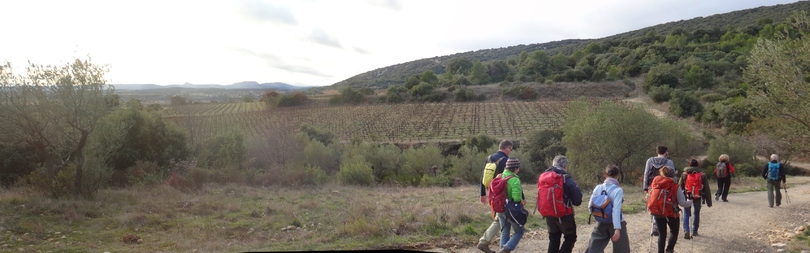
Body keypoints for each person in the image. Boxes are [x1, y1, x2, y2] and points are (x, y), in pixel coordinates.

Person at [476, 140, 512, 253]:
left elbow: (483, 176)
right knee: (501, 218)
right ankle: (487, 242)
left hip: (491, 193)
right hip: (502, 195)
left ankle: (485, 242)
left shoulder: (489, 158)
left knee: (499, 218)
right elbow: (509, 179)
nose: (510, 152)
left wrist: (482, 193)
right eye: (510, 149)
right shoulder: (506, 160)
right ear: (507, 148)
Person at [542, 155, 583, 253]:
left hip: (548, 213)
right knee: (570, 238)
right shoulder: (566, 178)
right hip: (564, 215)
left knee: (553, 239)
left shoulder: (544, 177)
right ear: (565, 166)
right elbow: (577, 200)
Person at [585, 165, 630, 253]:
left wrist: (599, 217)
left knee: (593, 249)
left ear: (605, 174)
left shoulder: (598, 187)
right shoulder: (618, 190)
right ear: (617, 175)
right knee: (622, 250)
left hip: (601, 222)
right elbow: (616, 210)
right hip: (615, 223)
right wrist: (617, 228)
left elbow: (590, 205)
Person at [651, 166, 693, 253]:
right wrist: (690, 201)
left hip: (658, 212)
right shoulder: (675, 186)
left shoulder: (655, 184)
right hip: (672, 213)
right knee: (674, 232)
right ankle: (669, 250)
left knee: (662, 234)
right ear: (673, 175)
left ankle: (660, 251)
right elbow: (682, 203)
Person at [643, 145, 678, 236]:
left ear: (656, 152)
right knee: (663, 206)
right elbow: (672, 175)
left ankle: (654, 226)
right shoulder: (669, 161)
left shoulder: (650, 161)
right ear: (666, 152)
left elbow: (646, 174)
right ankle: (659, 226)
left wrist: (645, 187)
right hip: (666, 188)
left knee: (652, 205)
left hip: (652, 187)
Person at [677, 159, 712, 239]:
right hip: (697, 196)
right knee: (696, 213)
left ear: (689, 165)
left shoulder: (684, 174)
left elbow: (679, 186)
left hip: (687, 195)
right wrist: (708, 201)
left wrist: (678, 198)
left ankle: (686, 230)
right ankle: (695, 230)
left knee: (686, 213)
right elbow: (706, 189)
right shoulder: (702, 175)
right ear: (698, 165)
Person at [498, 157, 525, 253]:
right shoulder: (514, 180)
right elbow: (516, 198)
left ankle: (503, 250)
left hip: (500, 208)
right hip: (511, 209)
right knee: (519, 231)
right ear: (515, 168)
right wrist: (521, 200)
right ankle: (506, 248)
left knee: (505, 232)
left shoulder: (500, 176)